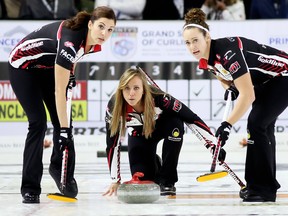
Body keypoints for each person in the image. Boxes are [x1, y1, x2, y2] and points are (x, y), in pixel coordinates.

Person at [8, 6, 116, 204]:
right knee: (38, 123)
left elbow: (66, 77)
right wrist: (64, 130)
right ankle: (30, 188)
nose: (104, 33)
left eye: (110, 29)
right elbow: (60, 90)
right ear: (90, 24)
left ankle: (59, 169)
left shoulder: (89, 43)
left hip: (47, 66)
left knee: (65, 121)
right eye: (101, 27)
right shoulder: (71, 41)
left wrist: (65, 128)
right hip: (23, 67)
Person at [182, 8, 288, 202]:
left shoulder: (228, 52)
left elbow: (247, 95)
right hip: (264, 82)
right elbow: (226, 79)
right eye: (187, 43)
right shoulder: (207, 59)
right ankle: (261, 185)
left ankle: (262, 189)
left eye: (195, 40)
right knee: (263, 128)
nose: (192, 47)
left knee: (257, 124)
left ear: (207, 37)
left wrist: (226, 126)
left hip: (282, 77)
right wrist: (231, 88)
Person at [103, 67, 226, 196]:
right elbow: (112, 144)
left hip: (163, 127)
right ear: (121, 90)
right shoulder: (114, 106)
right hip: (139, 134)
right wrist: (115, 180)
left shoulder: (160, 98)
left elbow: (190, 118)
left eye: (136, 88)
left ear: (144, 89)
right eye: (126, 88)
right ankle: (154, 163)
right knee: (145, 180)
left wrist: (213, 145)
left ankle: (167, 180)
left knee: (176, 125)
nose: (131, 93)